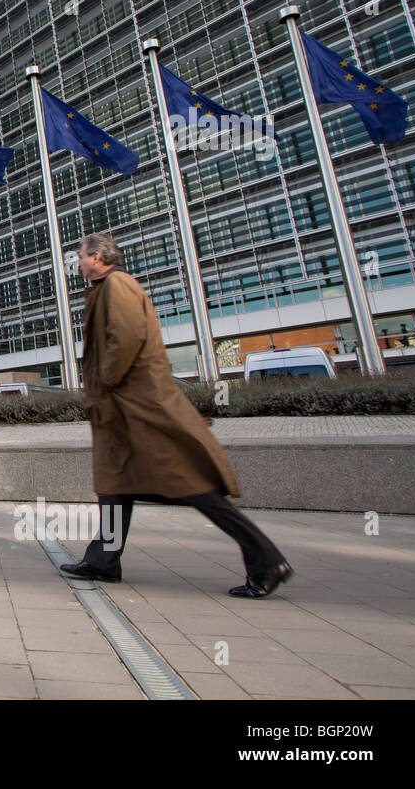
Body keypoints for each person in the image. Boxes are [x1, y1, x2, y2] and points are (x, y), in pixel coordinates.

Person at [58, 233, 293, 598]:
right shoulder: (105, 287)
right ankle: (103, 560)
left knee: (193, 485)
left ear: (99, 257)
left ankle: (267, 560)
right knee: (116, 485)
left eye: (81, 256)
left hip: (141, 407)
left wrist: (104, 381)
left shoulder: (118, 284)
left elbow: (126, 338)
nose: (79, 262)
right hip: (123, 409)